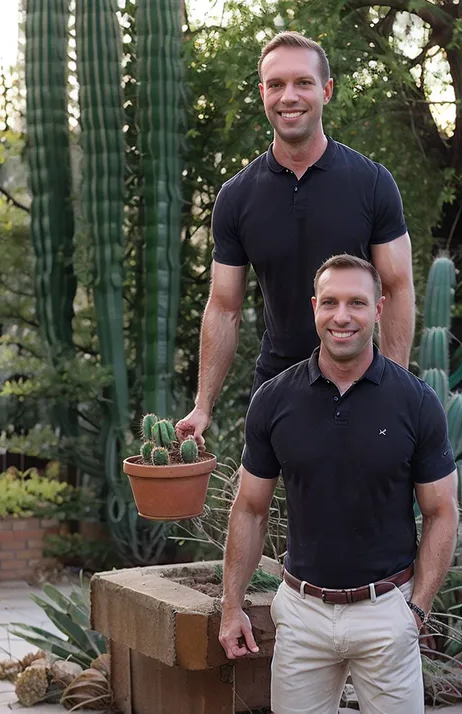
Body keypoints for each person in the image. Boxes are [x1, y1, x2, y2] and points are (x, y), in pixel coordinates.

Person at [218, 255, 458, 714]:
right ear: (314, 308)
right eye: (330, 302)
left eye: (356, 303)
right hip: (302, 613)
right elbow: (249, 508)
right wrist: (232, 607)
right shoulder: (273, 400)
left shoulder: (415, 402)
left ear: (379, 309)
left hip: (388, 612)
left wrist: (416, 612)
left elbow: (441, 511)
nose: (342, 316)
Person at [176, 31, 415, 447]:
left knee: (359, 510)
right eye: (276, 85)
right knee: (253, 508)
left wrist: (391, 388)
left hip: (360, 382)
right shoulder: (237, 196)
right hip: (277, 385)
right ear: (263, 93)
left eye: (303, 83)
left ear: (326, 90)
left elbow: (396, 289)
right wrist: (203, 405)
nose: (289, 96)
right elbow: (223, 308)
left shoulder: (372, 183)